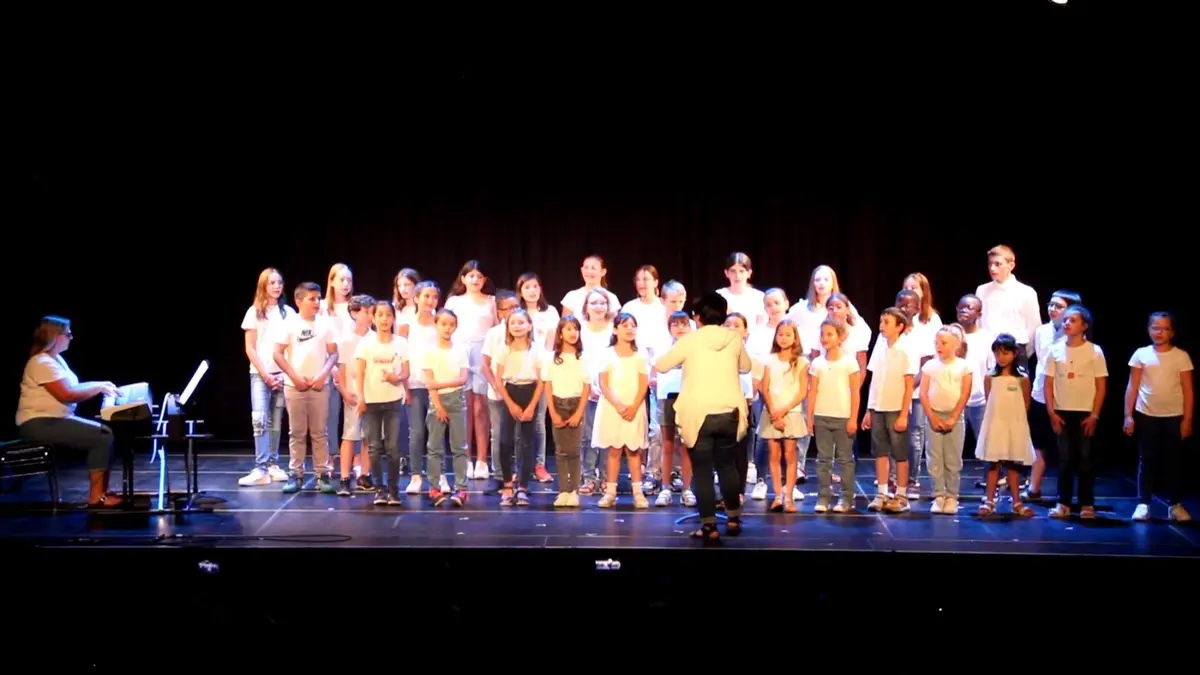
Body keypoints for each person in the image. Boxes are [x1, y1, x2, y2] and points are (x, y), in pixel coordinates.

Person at [655, 292, 751, 543]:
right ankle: (732, 518)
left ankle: (709, 526)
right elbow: (746, 367)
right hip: (729, 409)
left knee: (702, 470)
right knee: (727, 465)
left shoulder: (690, 341)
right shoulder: (734, 338)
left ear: (697, 317)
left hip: (698, 413)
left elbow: (662, 365)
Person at [15, 315, 122, 508]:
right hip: (39, 423)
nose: (71, 337)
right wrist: (98, 388)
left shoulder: (55, 360)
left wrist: (101, 384)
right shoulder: (41, 363)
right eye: (68, 334)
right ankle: (97, 497)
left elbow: (74, 386)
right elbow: (67, 395)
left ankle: (102, 493)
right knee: (102, 436)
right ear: (56, 337)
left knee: (104, 434)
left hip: (54, 419)